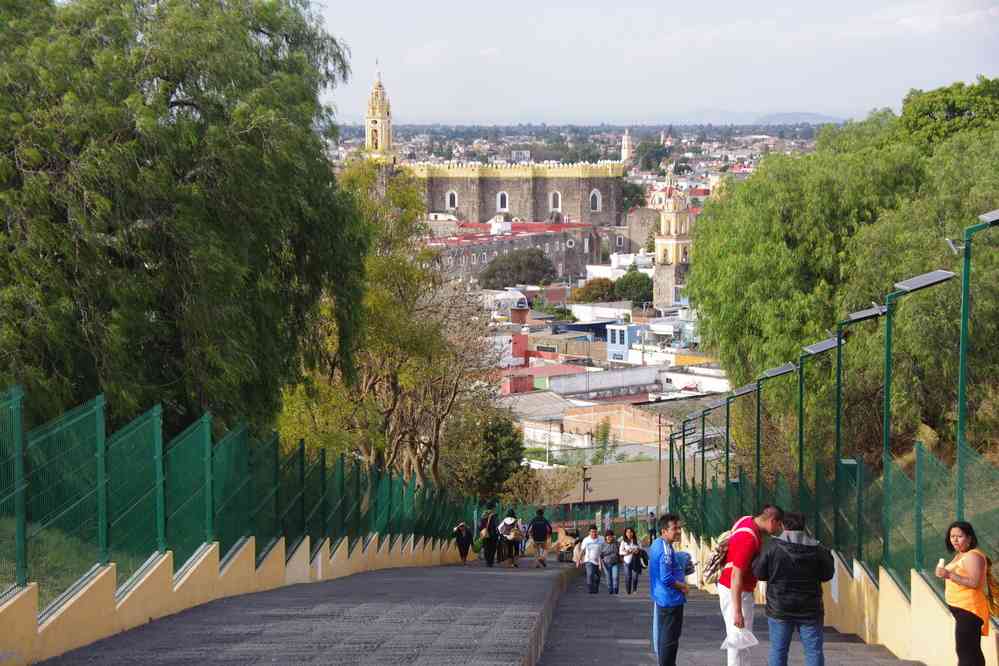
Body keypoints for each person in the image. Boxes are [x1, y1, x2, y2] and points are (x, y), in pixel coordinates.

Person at [751, 512, 834, 666]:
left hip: (779, 608)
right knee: (813, 651)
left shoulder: (772, 547)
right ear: (804, 526)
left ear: (782, 525)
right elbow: (827, 574)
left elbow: (758, 572)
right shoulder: (818, 548)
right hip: (810, 608)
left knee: (778, 650)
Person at [718, 504, 784, 666]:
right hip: (737, 591)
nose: (779, 528)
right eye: (779, 524)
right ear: (772, 520)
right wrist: (738, 611)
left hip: (731, 588)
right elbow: (736, 575)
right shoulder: (748, 539)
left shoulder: (746, 520)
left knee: (740, 640)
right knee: (739, 642)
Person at [935, 520, 990, 666]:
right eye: (952, 536)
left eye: (959, 536)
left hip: (970, 610)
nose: (954, 540)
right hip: (962, 611)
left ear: (969, 538)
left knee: (967, 652)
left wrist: (948, 574)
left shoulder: (973, 556)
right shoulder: (961, 555)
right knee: (968, 650)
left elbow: (974, 582)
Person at [648, 513, 688, 666]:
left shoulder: (657, 543)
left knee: (664, 637)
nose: (678, 531)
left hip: (662, 599)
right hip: (671, 600)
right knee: (669, 640)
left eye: (678, 528)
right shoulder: (665, 549)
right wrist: (683, 586)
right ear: (664, 531)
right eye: (674, 528)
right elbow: (666, 578)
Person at [578, 525, 603, 593]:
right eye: (592, 532)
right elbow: (582, 551)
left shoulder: (601, 539)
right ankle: (590, 589)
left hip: (598, 561)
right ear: (589, 532)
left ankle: (596, 588)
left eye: (595, 532)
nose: (594, 533)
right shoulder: (586, 540)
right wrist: (578, 560)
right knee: (590, 574)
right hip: (589, 560)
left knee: (597, 577)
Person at [621, 526, 643, 594]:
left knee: (635, 577)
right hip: (626, 562)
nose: (629, 534)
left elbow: (641, 550)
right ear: (625, 533)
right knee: (628, 577)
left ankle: (634, 589)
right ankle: (628, 591)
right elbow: (620, 552)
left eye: (631, 532)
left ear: (633, 533)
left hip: (635, 561)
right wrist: (627, 552)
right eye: (627, 532)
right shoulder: (623, 542)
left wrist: (637, 551)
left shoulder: (637, 541)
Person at [599, 529, 621, 594]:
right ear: (605, 537)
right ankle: (610, 589)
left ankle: (615, 589)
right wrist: (600, 565)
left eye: (611, 536)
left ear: (613, 537)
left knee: (615, 577)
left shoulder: (616, 543)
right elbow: (600, 556)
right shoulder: (603, 545)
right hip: (606, 564)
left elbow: (621, 551)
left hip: (615, 563)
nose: (609, 537)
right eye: (608, 536)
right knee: (608, 578)